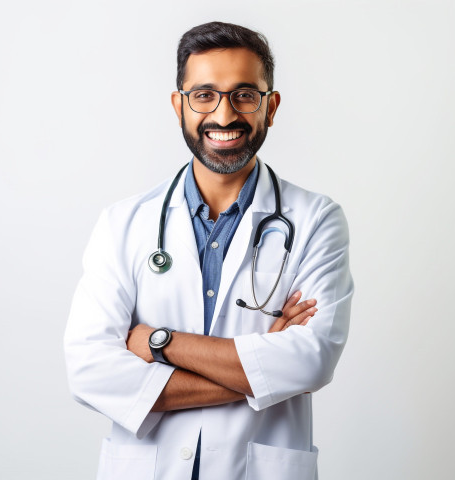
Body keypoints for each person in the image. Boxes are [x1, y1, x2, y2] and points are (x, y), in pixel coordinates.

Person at [64, 21, 353, 480]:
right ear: (178, 104)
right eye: (204, 95)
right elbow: (90, 371)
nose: (223, 116)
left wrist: (160, 343)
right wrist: (260, 368)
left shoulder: (316, 220)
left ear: (270, 107)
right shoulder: (123, 223)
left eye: (244, 94)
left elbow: (310, 360)